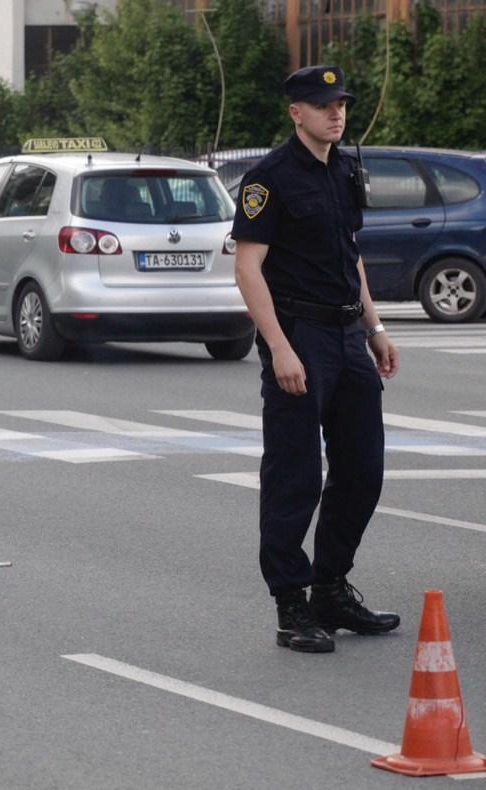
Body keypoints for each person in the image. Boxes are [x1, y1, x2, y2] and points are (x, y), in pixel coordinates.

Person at [231, 65, 401, 655]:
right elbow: (248, 267)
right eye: (324, 105)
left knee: (363, 468)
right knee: (295, 473)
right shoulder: (269, 178)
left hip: (346, 333)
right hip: (298, 330)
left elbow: (349, 254)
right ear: (295, 112)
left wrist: (374, 326)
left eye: (342, 104)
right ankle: (292, 604)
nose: (337, 113)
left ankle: (331, 585)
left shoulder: (346, 168)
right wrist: (279, 345)